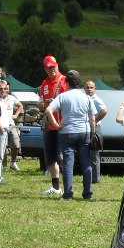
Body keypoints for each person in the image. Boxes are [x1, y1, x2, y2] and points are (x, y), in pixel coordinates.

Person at [45, 70, 105, 200]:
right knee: (86, 163)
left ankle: (68, 194)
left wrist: (55, 125)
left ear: (66, 82)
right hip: (84, 132)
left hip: (67, 132)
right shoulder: (87, 97)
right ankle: (87, 193)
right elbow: (92, 118)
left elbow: (48, 110)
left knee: (68, 164)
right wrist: (93, 133)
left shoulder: (62, 96)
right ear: (80, 82)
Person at [38, 55, 69, 196]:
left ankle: (68, 187)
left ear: (57, 65)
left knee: (63, 157)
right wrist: (43, 104)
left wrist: (56, 102)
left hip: (63, 125)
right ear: (44, 69)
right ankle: (56, 187)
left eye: (53, 67)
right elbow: (41, 105)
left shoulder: (64, 81)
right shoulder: (44, 84)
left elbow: (70, 102)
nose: (52, 70)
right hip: (50, 126)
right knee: (51, 157)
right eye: (49, 68)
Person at [0, 80, 21, 184]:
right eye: (0, 89)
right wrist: (0, 128)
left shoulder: (5, 99)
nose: (3, 91)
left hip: (5, 128)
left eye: (5, 89)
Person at [84, 80, 108, 183]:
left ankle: (96, 178)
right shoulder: (86, 98)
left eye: (91, 87)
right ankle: (90, 177)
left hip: (95, 129)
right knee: (88, 154)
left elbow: (104, 110)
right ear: (84, 89)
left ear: (95, 89)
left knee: (94, 154)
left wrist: (94, 121)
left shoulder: (96, 99)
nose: (89, 89)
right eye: (87, 87)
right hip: (88, 128)